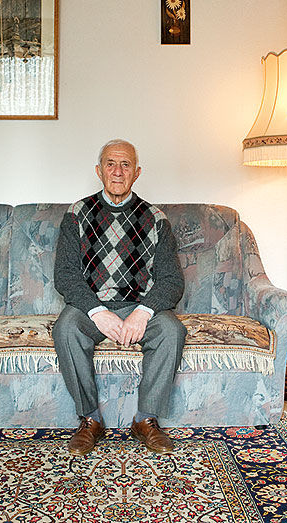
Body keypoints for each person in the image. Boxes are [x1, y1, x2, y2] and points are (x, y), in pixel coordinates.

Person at [53, 139, 186, 456]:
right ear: (98, 171)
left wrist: (143, 312)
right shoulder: (77, 214)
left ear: (137, 173)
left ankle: (145, 420)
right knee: (65, 329)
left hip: (140, 305)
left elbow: (172, 280)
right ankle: (90, 420)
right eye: (110, 164)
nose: (117, 171)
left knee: (172, 330)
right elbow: (66, 275)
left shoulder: (155, 218)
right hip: (91, 308)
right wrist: (97, 311)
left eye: (125, 164)